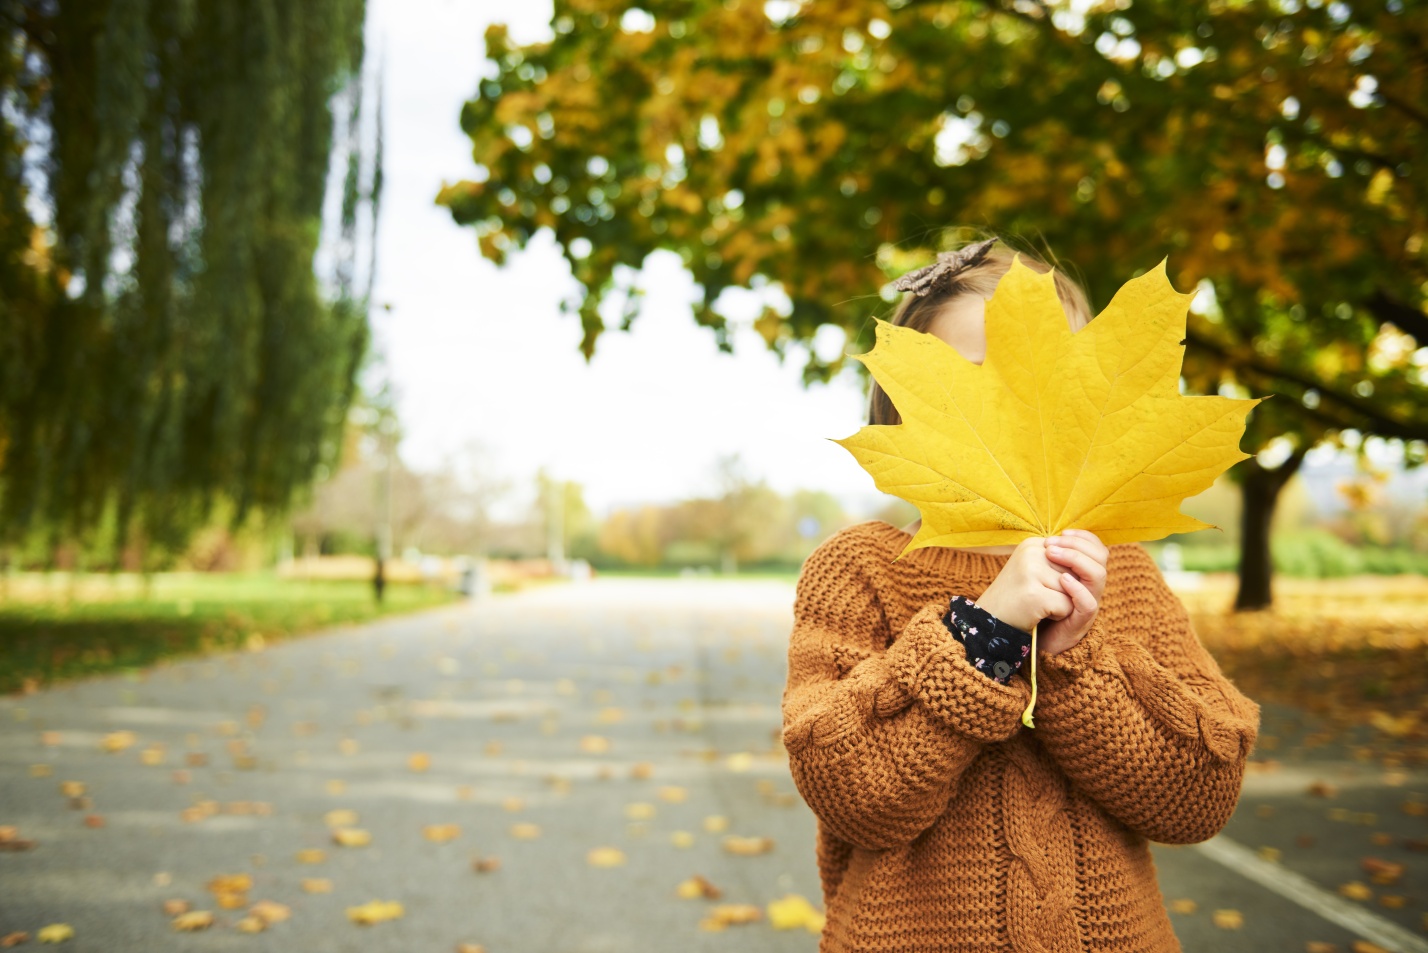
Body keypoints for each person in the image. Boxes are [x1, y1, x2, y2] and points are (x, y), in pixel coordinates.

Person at [782, 234, 1261, 953]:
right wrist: (985, 637)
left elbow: (1201, 794)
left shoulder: (1123, 573)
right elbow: (849, 792)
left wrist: (1075, 661)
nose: (1018, 408)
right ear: (903, 408)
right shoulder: (860, 568)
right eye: (976, 381)